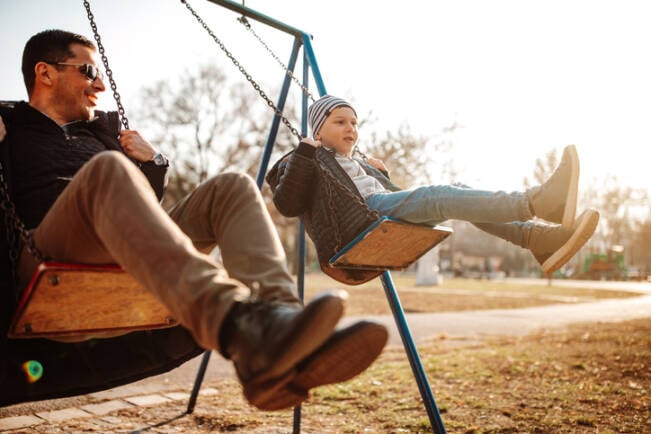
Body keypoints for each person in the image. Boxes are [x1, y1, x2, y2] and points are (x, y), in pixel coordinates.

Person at [0, 30, 389, 411]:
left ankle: (282, 330)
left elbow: (142, 206)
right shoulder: (11, 126)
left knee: (231, 187)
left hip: (120, 250)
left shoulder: (104, 136)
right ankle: (240, 328)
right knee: (107, 170)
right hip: (45, 256)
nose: (99, 84)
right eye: (88, 71)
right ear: (45, 73)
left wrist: (153, 163)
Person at [267, 95, 600, 279]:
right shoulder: (309, 159)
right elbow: (287, 204)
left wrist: (378, 172)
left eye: (354, 122)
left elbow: (375, 189)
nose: (351, 129)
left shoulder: (357, 163)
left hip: (380, 208)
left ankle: (537, 240)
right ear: (318, 131)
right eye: (340, 122)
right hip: (362, 222)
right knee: (439, 197)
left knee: (457, 191)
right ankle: (541, 202)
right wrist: (304, 152)